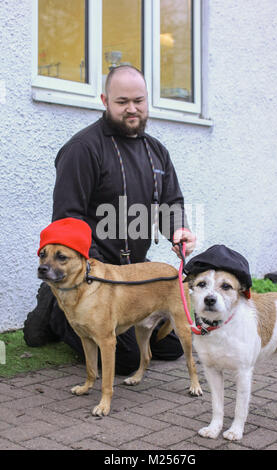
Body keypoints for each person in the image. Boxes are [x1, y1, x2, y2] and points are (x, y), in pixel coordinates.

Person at [24, 65, 196, 375]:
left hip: (133, 276)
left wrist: (179, 230)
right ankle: (56, 315)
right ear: (105, 100)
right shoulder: (83, 149)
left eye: (139, 100)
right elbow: (66, 220)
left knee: (170, 347)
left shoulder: (157, 151)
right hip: (95, 277)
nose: (132, 109)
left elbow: (172, 203)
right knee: (126, 361)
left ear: (148, 101)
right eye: (122, 101)